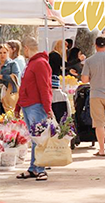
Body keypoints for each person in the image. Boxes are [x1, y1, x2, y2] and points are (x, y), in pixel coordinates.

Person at [15, 37, 52, 181]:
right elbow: (24, 86)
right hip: (28, 105)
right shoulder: (31, 63)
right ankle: (34, 168)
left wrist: (47, 107)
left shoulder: (40, 63)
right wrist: (18, 106)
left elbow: (44, 87)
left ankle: (41, 168)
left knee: (39, 138)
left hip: (36, 105)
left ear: (26, 48)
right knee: (35, 139)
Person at [0, 43, 21, 114]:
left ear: (8, 53)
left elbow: (15, 78)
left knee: (8, 118)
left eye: (4, 52)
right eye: (0, 53)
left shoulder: (13, 64)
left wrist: (2, 77)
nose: (2, 55)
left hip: (9, 94)